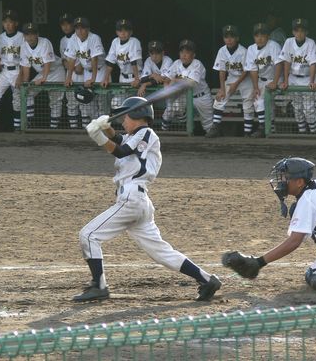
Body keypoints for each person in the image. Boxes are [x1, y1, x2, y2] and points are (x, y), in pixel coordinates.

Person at [73, 96, 222, 302]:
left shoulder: (146, 133)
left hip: (131, 199)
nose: (123, 120)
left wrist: (99, 138)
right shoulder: (137, 135)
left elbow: (122, 150)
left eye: (126, 115)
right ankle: (207, 280)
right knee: (161, 252)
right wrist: (106, 129)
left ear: (137, 115)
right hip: (138, 202)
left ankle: (99, 286)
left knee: (88, 235)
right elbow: (119, 140)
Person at [222, 157, 316, 291]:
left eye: (286, 178)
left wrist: (259, 262)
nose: (281, 181)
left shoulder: (308, 200)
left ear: (300, 182)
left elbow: (294, 242)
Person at [206, 25, 254, 138]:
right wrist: (222, 89)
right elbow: (222, 70)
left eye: (232, 36)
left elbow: (246, 71)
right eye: (226, 37)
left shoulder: (243, 51)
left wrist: (236, 84)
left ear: (237, 38)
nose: (229, 39)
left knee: (247, 105)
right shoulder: (222, 51)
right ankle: (215, 128)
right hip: (231, 77)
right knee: (219, 100)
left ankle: (247, 132)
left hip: (245, 79)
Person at [64, 17, 109, 127]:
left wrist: (93, 78)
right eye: (77, 28)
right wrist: (68, 77)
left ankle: (105, 129)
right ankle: (95, 128)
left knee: (102, 102)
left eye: (82, 28)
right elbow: (71, 59)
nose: (79, 31)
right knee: (89, 102)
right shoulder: (73, 39)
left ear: (88, 29)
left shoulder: (94, 38)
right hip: (87, 72)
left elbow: (95, 59)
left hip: (100, 70)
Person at [19, 23, 65, 128]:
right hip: (42, 72)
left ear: (37, 34)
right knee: (28, 92)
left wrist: (44, 79)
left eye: (32, 34)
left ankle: (54, 127)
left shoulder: (45, 42)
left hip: (56, 71)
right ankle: (30, 123)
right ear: (24, 36)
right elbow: (26, 67)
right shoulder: (23, 46)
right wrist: (26, 84)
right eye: (27, 34)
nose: (30, 37)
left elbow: (47, 63)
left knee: (55, 100)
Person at [279, 18, 316, 134]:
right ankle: (302, 132)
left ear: (306, 32)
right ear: (293, 32)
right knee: (297, 108)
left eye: (302, 30)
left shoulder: (311, 43)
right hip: (293, 78)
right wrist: (286, 81)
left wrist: (312, 81)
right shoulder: (288, 42)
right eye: (297, 30)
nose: (299, 33)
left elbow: (313, 63)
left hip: (307, 78)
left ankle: (314, 133)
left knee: (309, 109)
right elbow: (286, 62)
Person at [163, 40, 213, 133]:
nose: (184, 55)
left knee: (209, 125)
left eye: (187, 52)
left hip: (201, 97)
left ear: (193, 55)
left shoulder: (197, 64)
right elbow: (166, 79)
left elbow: (191, 83)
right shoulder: (177, 63)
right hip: (185, 97)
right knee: (172, 108)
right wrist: (167, 90)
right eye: (182, 52)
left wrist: (174, 80)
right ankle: (163, 133)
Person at [244, 23, 282, 138]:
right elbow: (253, 70)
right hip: (261, 80)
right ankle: (270, 130)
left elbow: (279, 65)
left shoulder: (274, 45)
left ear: (268, 36)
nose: (259, 38)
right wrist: (255, 87)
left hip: (276, 78)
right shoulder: (251, 49)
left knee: (262, 102)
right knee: (259, 101)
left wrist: (275, 82)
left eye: (263, 35)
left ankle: (263, 127)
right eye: (257, 35)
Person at [102, 19, 143, 111]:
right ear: (117, 32)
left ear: (131, 32)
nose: (123, 33)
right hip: (123, 78)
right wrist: (105, 78)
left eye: (126, 30)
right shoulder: (115, 42)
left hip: (136, 76)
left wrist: (137, 79)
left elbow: (134, 61)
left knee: (136, 107)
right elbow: (110, 62)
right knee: (116, 103)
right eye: (120, 30)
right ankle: (125, 124)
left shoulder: (134, 41)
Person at [59, 13, 84, 129]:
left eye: (68, 24)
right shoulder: (62, 40)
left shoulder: (79, 36)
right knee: (71, 102)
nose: (66, 27)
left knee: (85, 103)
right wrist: (73, 67)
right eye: (63, 24)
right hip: (71, 73)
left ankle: (86, 130)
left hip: (84, 73)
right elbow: (64, 60)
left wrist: (77, 66)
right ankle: (74, 129)